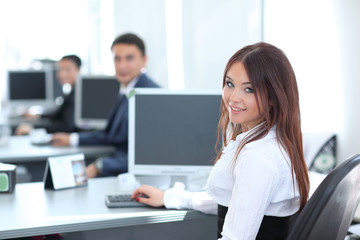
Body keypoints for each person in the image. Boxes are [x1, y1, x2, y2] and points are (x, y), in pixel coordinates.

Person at [132, 42, 310, 239]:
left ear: (272, 96)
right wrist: (170, 197)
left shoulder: (258, 157)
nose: (233, 98)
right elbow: (236, 202)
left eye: (249, 89)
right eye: (230, 84)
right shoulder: (270, 142)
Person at [51, 33, 159, 178]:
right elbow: (111, 134)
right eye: (117, 59)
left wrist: (100, 166)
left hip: (137, 177)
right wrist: (72, 139)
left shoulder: (149, 96)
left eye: (129, 58)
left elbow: (146, 156)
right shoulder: (126, 90)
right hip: (121, 168)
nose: (122, 65)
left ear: (144, 60)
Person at [15, 55, 82, 135]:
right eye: (59, 70)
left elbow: (66, 126)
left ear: (78, 70)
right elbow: (57, 115)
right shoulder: (71, 92)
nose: (61, 74)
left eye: (67, 69)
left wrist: (33, 129)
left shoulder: (78, 95)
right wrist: (37, 116)